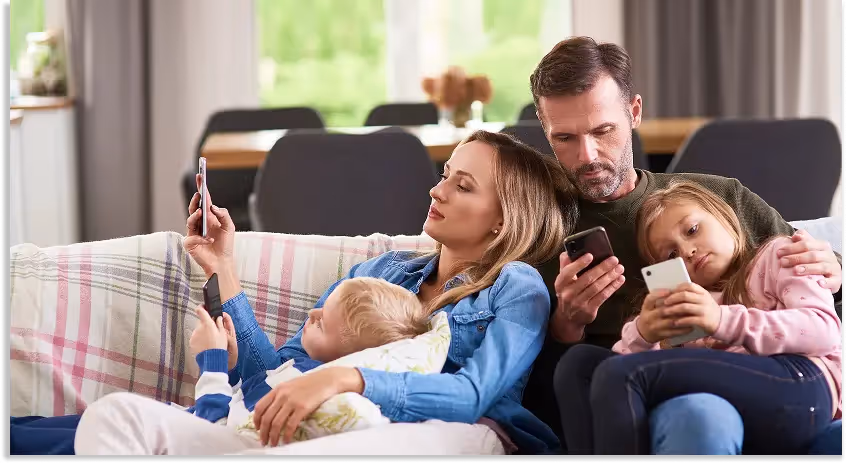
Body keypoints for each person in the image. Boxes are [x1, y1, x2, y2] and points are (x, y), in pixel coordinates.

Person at [68, 130, 580, 455]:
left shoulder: (517, 287)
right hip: (332, 430)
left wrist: (347, 379)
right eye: (445, 175)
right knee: (116, 417)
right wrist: (223, 268)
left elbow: (474, 396)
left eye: (463, 186)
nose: (436, 191)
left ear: (503, 221)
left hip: (465, 433)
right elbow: (279, 374)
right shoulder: (385, 270)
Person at [517, 36, 844, 454]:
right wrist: (565, 326)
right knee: (581, 366)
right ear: (544, 131)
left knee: (697, 413)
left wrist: (834, 266)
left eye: (603, 130)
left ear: (634, 112)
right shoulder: (538, 231)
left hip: (749, 385)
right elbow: (533, 397)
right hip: (623, 407)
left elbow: (819, 303)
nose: (588, 155)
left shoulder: (714, 200)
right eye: (564, 138)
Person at [555, 181, 842, 455]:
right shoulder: (689, 307)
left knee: (618, 373)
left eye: (692, 230)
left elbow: (823, 330)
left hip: (803, 386)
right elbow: (621, 376)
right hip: (741, 404)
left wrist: (721, 320)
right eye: (670, 255)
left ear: (724, 217)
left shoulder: (778, 254)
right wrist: (644, 333)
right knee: (579, 364)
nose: (688, 252)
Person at [75, 276, 428, 452]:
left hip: (199, 435)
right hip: (194, 428)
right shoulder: (294, 372)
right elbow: (237, 411)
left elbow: (220, 425)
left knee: (105, 418)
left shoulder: (305, 388)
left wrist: (211, 361)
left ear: (346, 355)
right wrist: (230, 366)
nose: (311, 312)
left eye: (322, 320)